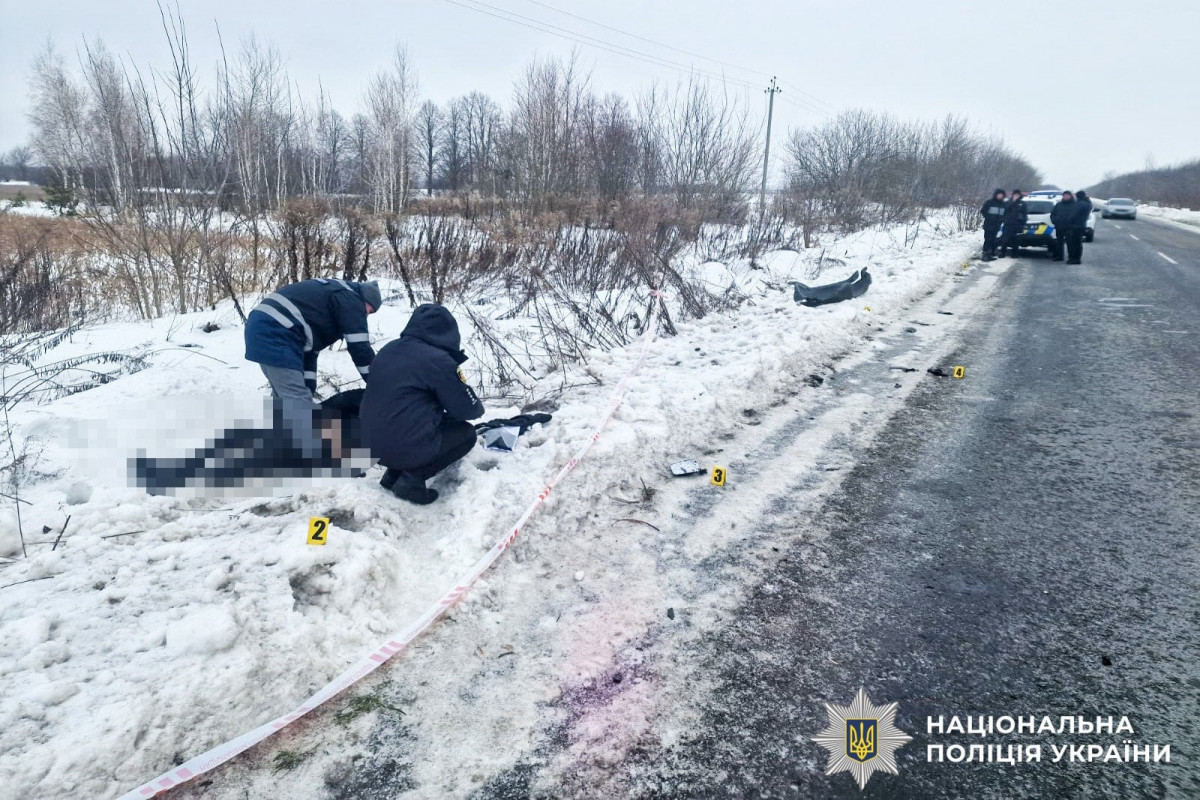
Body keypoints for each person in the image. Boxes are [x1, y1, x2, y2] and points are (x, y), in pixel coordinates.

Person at [360, 304, 485, 505]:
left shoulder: (389, 349)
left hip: (370, 445)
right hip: (401, 445)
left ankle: (393, 475)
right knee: (465, 434)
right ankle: (412, 480)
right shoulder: (438, 360)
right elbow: (467, 410)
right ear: (449, 333)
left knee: (412, 417)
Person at [244, 278, 382, 458]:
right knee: (297, 400)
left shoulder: (329, 303)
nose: (365, 316)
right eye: (369, 311)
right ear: (365, 300)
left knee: (284, 398)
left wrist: (308, 386)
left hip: (266, 327)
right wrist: (378, 384)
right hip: (277, 331)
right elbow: (360, 349)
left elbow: (309, 353)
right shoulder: (351, 298)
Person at [979, 189, 1008, 261]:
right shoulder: (989, 202)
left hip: (997, 225)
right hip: (989, 225)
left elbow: (1005, 214)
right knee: (988, 240)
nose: (1000, 196)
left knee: (993, 240)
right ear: (996, 195)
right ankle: (985, 255)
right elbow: (983, 211)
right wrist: (989, 218)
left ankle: (990, 254)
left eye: (1001, 195)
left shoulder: (1003, 205)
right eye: (999, 195)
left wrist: (1002, 220)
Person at [1067, 190, 1094, 264]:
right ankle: (1077, 258)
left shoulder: (1080, 204)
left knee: (1074, 243)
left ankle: (1075, 259)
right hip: (1082, 225)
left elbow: (1073, 214)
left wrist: (1069, 221)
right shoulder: (1088, 203)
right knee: (1078, 243)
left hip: (1075, 225)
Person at [999, 189, 1028, 257]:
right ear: (1013, 195)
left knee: (1016, 240)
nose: (1016, 196)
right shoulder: (1007, 202)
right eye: (1015, 194)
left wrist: (1023, 223)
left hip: (1018, 225)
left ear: (1020, 195)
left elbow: (1025, 214)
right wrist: (1013, 202)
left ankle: (1014, 253)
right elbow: (1005, 210)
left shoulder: (1022, 203)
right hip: (1008, 224)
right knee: (1005, 239)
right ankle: (1002, 253)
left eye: (1018, 195)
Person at [1049, 191, 1076, 262]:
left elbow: (1078, 215)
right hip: (1059, 226)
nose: (1065, 196)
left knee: (1070, 243)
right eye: (1064, 195)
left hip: (1070, 227)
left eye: (1067, 195)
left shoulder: (1075, 205)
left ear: (1070, 196)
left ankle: (1071, 257)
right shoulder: (1059, 204)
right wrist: (1054, 221)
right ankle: (1059, 256)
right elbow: (1053, 214)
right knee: (1059, 242)